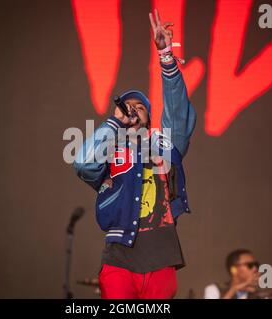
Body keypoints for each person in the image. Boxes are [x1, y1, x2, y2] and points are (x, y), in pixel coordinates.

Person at [73, 9, 196, 299]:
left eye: (139, 107)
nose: (132, 110)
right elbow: (82, 163)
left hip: (162, 255)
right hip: (119, 258)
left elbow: (179, 116)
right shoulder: (111, 151)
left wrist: (166, 56)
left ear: (149, 118)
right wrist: (114, 122)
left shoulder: (164, 143)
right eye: (126, 106)